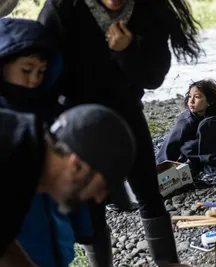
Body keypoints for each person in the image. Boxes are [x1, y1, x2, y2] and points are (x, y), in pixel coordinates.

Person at [38, 0, 202, 265]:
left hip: (126, 112)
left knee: (149, 192)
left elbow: (153, 78)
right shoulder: (63, 8)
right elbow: (40, 70)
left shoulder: (150, 9)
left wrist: (127, 50)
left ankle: (168, 262)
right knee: (91, 204)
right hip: (75, 120)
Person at [0, 17, 94, 267]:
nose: (33, 80)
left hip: (55, 239)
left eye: (41, 72)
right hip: (16, 242)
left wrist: (83, 227)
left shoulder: (50, 114)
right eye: (26, 70)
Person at [0, 103, 135, 266]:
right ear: (76, 166)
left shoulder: (28, 160)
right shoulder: (10, 159)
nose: (99, 199)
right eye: (101, 188)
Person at [157, 79, 216, 175]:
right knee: (189, 146)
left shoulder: (213, 119)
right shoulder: (185, 121)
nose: (191, 101)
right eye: (190, 96)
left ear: (210, 101)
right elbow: (171, 144)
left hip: (207, 156)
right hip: (189, 155)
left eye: (197, 97)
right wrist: (162, 167)